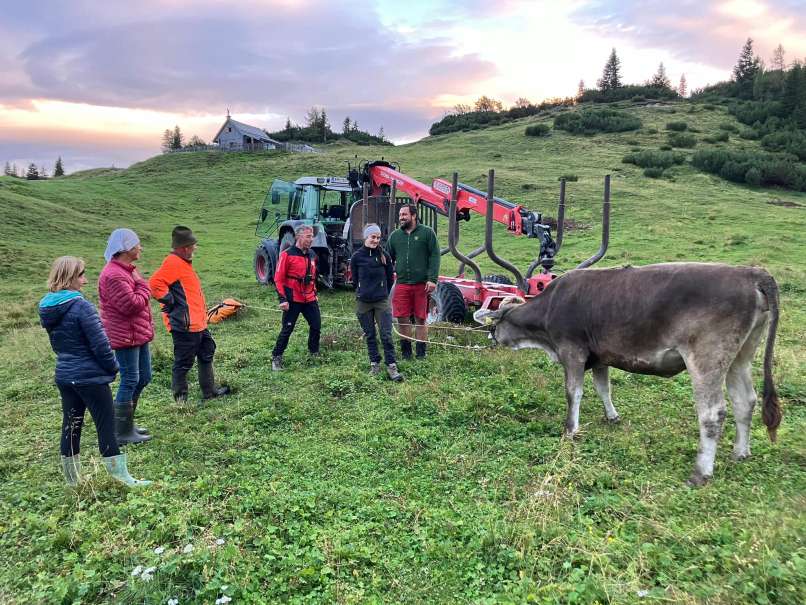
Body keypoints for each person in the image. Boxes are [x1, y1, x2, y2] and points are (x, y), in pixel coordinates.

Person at [39, 256, 150, 487]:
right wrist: (113, 368)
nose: (85, 280)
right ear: (69, 277)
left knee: (71, 425)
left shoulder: (48, 307)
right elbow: (101, 345)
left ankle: (73, 480)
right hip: (90, 378)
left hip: (65, 375)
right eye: (80, 275)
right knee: (106, 426)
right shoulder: (81, 306)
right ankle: (121, 478)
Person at [149, 226, 230, 403]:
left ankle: (209, 392)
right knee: (183, 362)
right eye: (193, 245)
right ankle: (181, 400)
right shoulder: (172, 262)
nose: (195, 248)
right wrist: (170, 300)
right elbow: (154, 284)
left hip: (198, 322)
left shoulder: (182, 263)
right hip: (185, 325)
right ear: (185, 247)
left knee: (207, 351)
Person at [98, 228, 153, 445]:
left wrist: (138, 283)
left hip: (136, 333)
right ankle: (120, 431)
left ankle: (126, 423)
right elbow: (132, 304)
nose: (140, 247)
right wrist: (142, 285)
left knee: (144, 377)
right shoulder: (113, 275)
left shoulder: (125, 270)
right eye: (137, 244)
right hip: (126, 335)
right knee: (130, 379)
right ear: (127, 248)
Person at [386, 204, 440, 359]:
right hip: (402, 284)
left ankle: (421, 354)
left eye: (404, 214)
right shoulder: (395, 236)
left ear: (414, 215)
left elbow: (435, 256)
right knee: (402, 318)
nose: (401, 217)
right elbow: (388, 258)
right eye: (400, 215)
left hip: (421, 285)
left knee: (420, 318)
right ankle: (406, 353)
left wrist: (432, 279)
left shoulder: (427, 233)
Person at [350, 224, 403, 381]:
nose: (375, 240)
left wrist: (383, 293)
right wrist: (361, 291)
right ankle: (374, 364)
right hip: (364, 302)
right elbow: (354, 279)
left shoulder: (384, 255)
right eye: (373, 237)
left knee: (386, 334)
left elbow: (389, 277)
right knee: (370, 334)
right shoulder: (357, 257)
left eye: (378, 238)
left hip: (381, 301)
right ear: (366, 237)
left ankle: (392, 366)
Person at [271, 225, 321, 371]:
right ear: (298, 237)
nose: (311, 239)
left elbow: (313, 277)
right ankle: (276, 357)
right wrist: (283, 299)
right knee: (287, 329)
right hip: (292, 299)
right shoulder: (287, 254)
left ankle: (313, 352)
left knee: (316, 326)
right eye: (308, 236)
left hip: (309, 298)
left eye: (312, 236)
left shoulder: (312, 255)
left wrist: (315, 293)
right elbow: (278, 279)